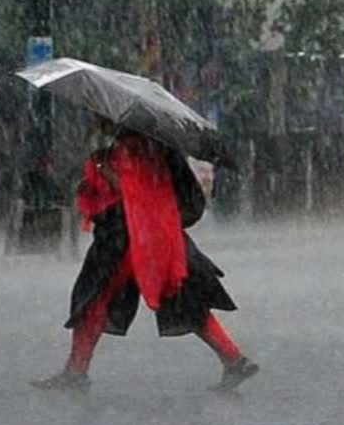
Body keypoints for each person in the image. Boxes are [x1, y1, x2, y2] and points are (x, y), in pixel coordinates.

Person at [31, 118, 258, 392]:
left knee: (93, 299)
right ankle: (233, 357)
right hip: (161, 234)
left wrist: (103, 169)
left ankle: (76, 372)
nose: (96, 120)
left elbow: (129, 191)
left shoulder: (131, 148)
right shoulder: (158, 147)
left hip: (127, 238)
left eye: (100, 117)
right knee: (186, 300)